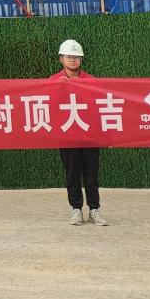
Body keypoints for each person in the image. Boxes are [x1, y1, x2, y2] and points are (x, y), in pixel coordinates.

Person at [49, 39, 105, 227]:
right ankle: (76, 209)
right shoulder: (53, 82)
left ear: (81, 59)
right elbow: (48, 105)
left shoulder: (91, 81)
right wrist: (59, 88)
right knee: (72, 174)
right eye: (69, 56)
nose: (73, 60)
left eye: (77, 57)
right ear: (61, 59)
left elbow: (99, 105)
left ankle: (94, 210)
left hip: (89, 135)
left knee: (91, 174)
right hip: (67, 136)